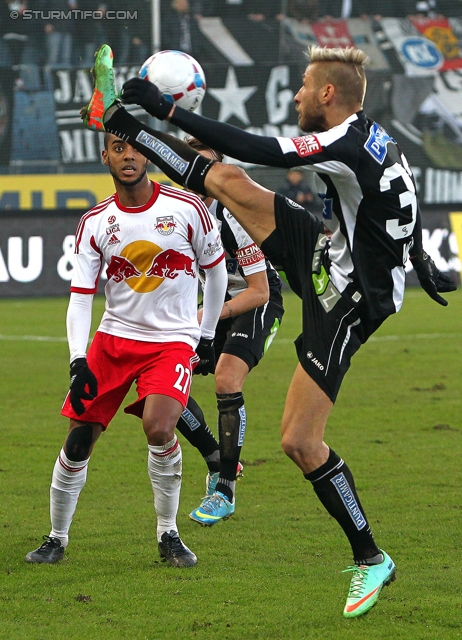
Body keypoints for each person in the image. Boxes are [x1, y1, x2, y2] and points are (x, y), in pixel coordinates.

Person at [80, 44, 456, 616]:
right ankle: (125, 125)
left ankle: (370, 559)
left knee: (299, 442)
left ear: (329, 95)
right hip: (328, 257)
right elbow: (395, 194)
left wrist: (170, 110)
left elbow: (260, 148)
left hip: (349, 302)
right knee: (224, 180)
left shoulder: (342, 141)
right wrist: (417, 256)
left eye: (306, 86)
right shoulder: (373, 134)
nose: (299, 94)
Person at [25, 45, 228, 569]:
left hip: (171, 344)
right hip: (113, 340)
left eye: (135, 147)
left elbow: (217, 270)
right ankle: (56, 537)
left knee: (160, 427)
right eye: (118, 147)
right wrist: (77, 361)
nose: (129, 155)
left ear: (148, 152)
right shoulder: (95, 223)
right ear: (107, 157)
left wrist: (203, 336)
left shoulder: (186, 208)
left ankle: (168, 534)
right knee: (77, 442)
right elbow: (79, 298)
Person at [175, 136, 284, 526]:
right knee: (161, 383)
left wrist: (209, 313)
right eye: (193, 167)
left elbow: (260, 290)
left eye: (208, 169)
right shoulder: (176, 215)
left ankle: (224, 491)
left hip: (254, 305)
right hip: (211, 311)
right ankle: (216, 457)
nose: (199, 177)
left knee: (226, 377)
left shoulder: (234, 216)